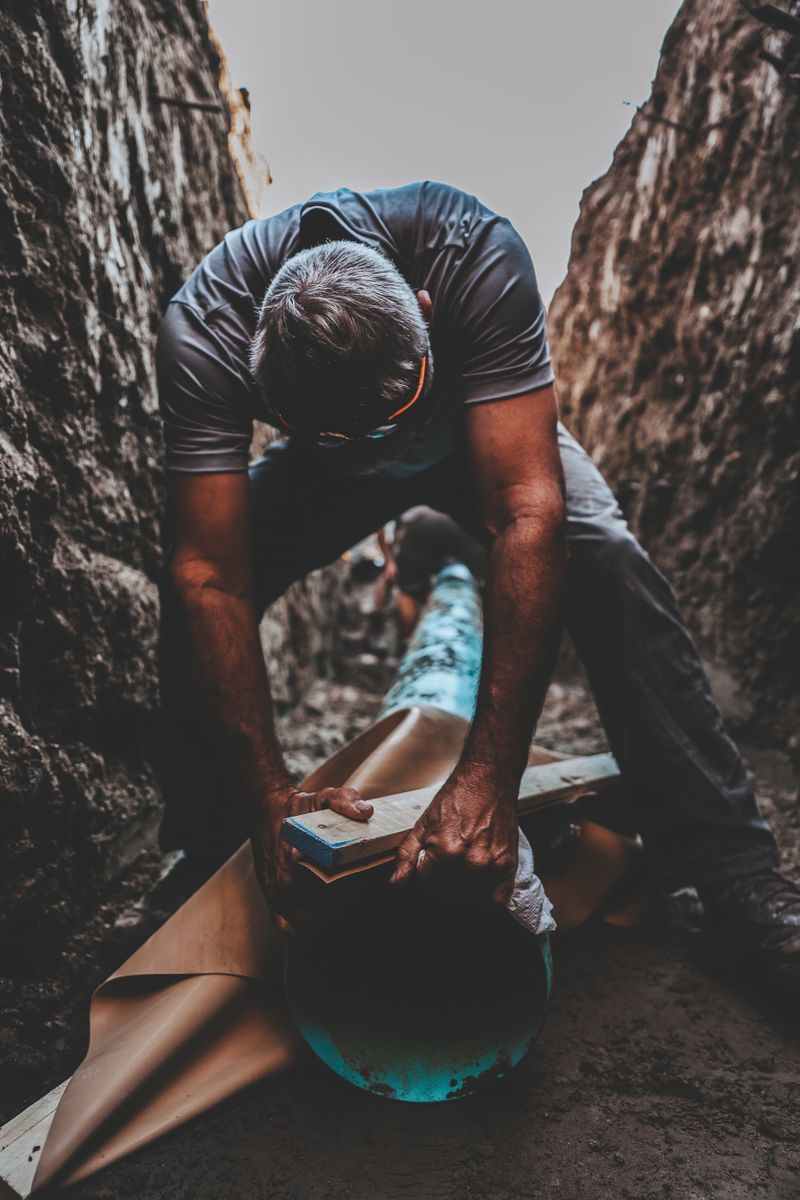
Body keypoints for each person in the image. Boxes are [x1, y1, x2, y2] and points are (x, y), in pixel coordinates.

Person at [155, 180, 799, 998]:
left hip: (479, 431)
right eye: (344, 432)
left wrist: (488, 777)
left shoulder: (472, 254)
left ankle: (735, 872)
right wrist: (267, 796)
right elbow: (210, 571)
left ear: (426, 312)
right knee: (191, 591)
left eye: (401, 407)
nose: (382, 446)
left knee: (602, 552)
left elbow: (528, 510)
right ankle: (209, 847)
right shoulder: (203, 332)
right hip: (319, 479)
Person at [374, 507, 487, 638]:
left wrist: (389, 561)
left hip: (418, 523)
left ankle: (410, 640)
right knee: (486, 581)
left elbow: (380, 531)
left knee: (407, 590)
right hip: (455, 520)